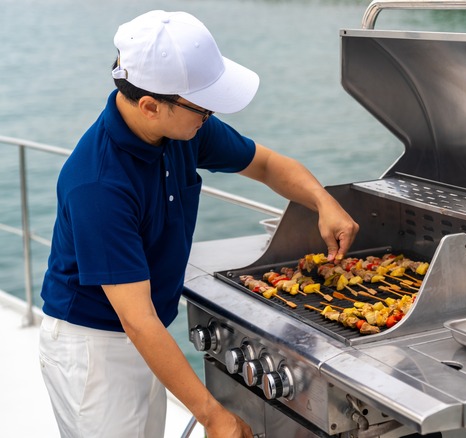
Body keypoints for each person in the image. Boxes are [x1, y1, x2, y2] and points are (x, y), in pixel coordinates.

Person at [37, 10, 358, 438]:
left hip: (144, 333)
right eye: (201, 107)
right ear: (151, 106)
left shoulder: (182, 129)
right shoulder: (98, 184)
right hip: (95, 350)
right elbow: (138, 321)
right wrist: (212, 415)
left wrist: (322, 201)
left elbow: (265, 164)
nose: (209, 115)